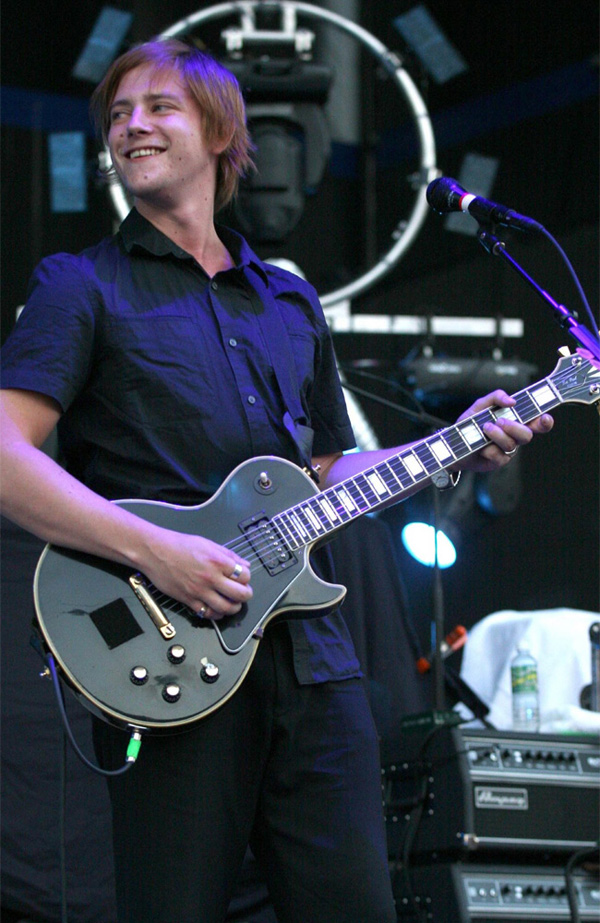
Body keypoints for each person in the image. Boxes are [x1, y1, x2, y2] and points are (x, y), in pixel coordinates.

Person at [0, 39, 554, 923]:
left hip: (314, 660)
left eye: (159, 107)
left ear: (222, 133)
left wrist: (454, 443)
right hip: (169, 656)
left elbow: (325, 471)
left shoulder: (289, 304)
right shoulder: (80, 286)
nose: (132, 125)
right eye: (118, 114)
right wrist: (160, 553)